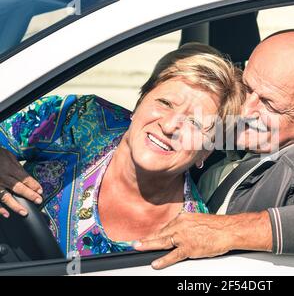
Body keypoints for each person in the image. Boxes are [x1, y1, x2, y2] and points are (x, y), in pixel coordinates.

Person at [133, 31, 294, 269]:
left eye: (270, 105)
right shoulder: (235, 130)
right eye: (247, 88)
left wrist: (228, 231)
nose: (246, 111)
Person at [0, 43, 243, 257]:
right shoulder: (81, 118)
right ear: (138, 103)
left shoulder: (190, 234)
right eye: (165, 103)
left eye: (195, 123)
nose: (169, 126)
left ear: (205, 152)